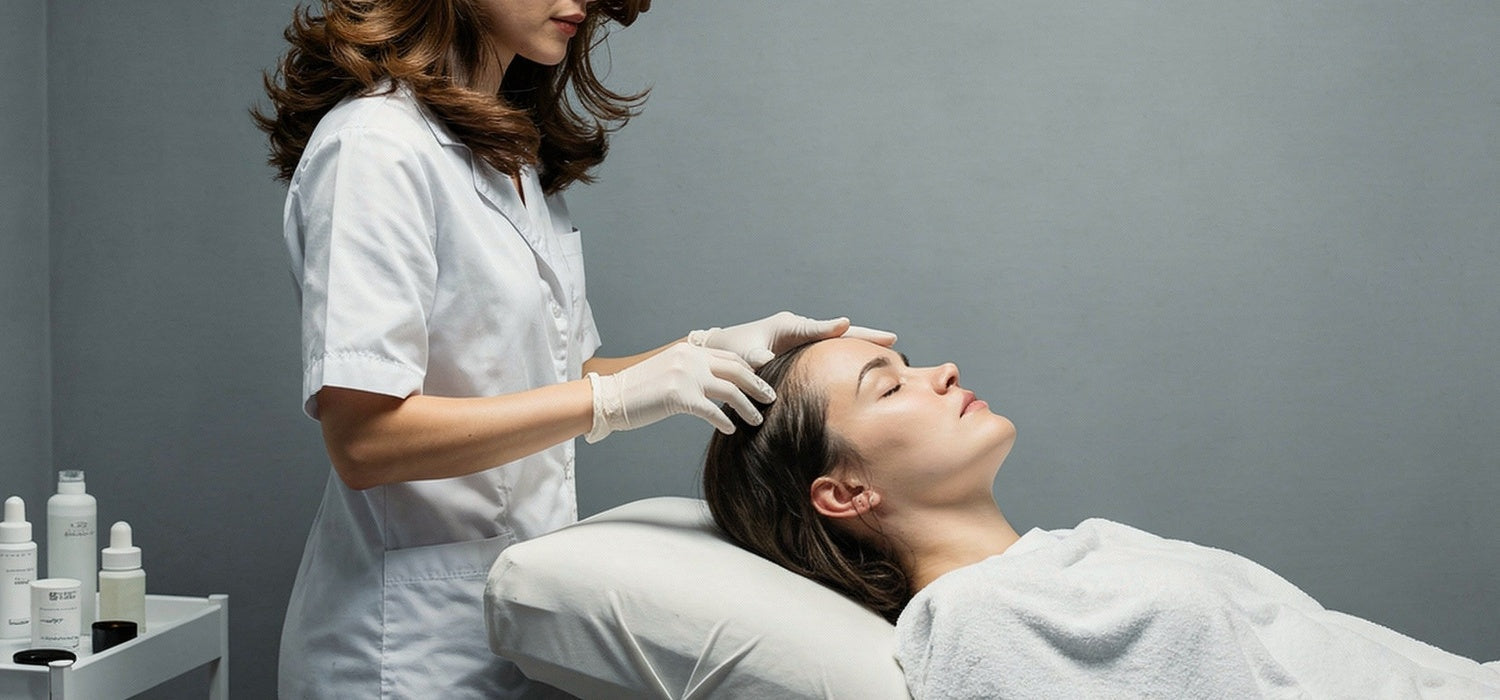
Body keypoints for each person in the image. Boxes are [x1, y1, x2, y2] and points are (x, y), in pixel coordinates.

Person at [253, 1, 895, 696]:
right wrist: (611, 400)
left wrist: (709, 349)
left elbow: (558, 374)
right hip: (404, 649)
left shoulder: (506, 150)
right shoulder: (375, 147)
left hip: (516, 620)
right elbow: (365, 442)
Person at [703, 337, 1500, 699]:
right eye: (889, 386)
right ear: (844, 494)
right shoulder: (980, 618)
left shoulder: (1087, 546)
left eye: (909, 364)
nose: (941, 370)